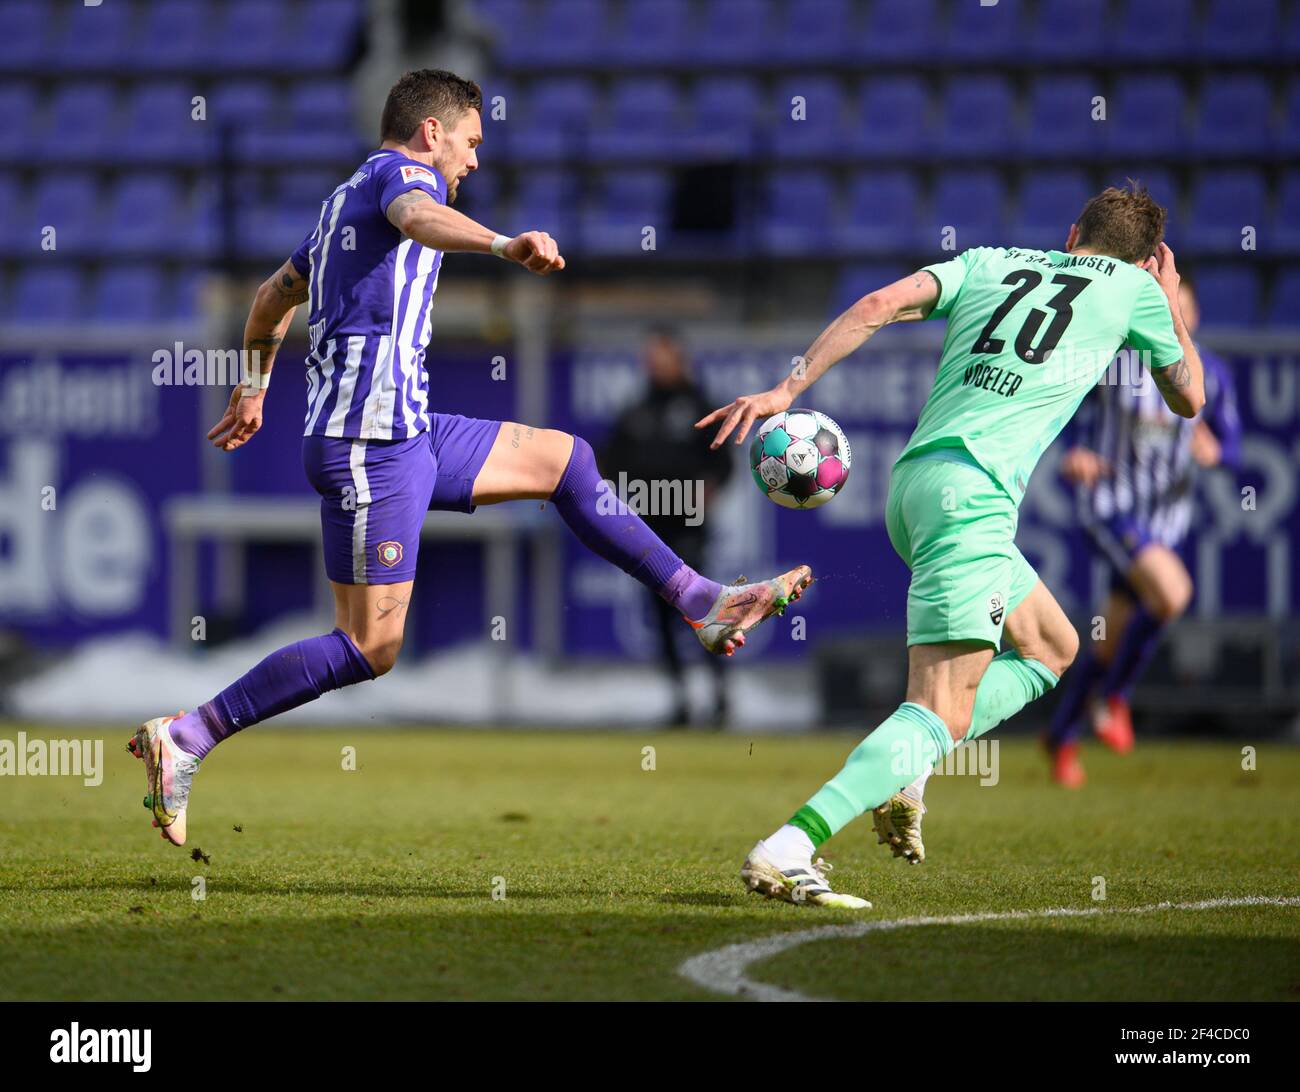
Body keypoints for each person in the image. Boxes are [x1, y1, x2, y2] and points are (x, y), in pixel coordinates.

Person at [129, 70, 812, 847]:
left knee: (564, 459)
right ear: (432, 132)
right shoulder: (402, 179)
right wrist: (501, 243)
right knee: (369, 647)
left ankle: (701, 601)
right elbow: (418, 217)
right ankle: (188, 736)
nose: (475, 161)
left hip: (410, 432)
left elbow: (268, 300)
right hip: (368, 445)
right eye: (472, 142)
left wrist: (252, 390)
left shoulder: (339, 206)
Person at [700, 183, 1204, 908]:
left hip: (915, 486)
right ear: (1143, 258)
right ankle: (790, 846)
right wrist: (1170, 298)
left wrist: (788, 389)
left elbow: (876, 306)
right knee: (940, 709)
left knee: (1052, 648)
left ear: (1070, 235)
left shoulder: (991, 260)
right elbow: (1189, 399)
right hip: (973, 501)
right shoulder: (1136, 288)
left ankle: (909, 768)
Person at [1045, 276, 1241, 786]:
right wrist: (1076, 453)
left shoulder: (1210, 375)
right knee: (1174, 593)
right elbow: (1063, 409)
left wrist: (1215, 452)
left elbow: (1231, 445)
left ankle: (1061, 736)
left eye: (1184, 308)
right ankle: (1114, 700)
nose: (1177, 316)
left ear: (1193, 317)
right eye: (1168, 306)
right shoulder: (1115, 363)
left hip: (1164, 522)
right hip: (1112, 505)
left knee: (1107, 639)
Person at [601, 327, 734, 726]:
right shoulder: (636, 411)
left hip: (688, 526)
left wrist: (708, 491)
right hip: (648, 528)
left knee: (702, 610)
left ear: (680, 359)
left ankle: (719, 695)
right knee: (658, 616)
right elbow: (610, 463)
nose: (655, 364)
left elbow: (722, 464)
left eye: (662, 356)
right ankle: (681, 699)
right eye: (650, 357)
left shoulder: (700, 406)